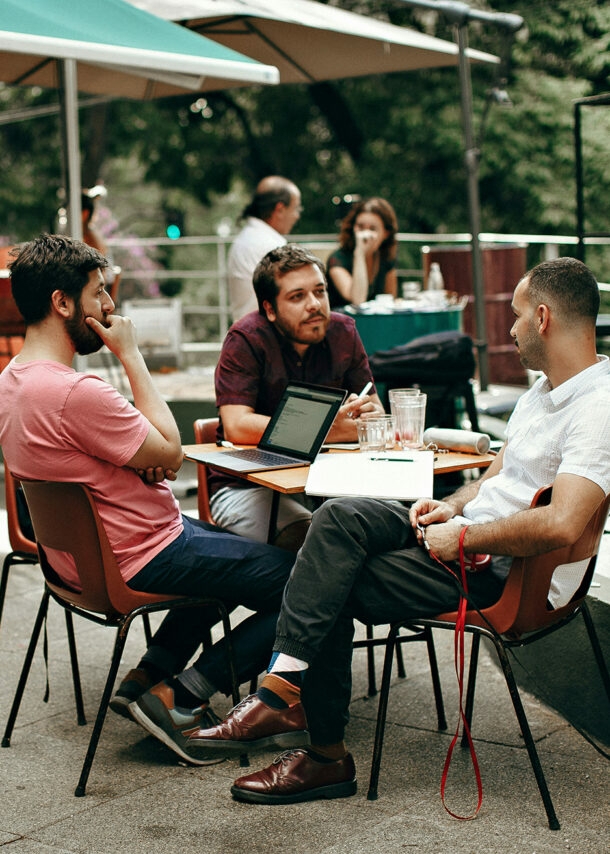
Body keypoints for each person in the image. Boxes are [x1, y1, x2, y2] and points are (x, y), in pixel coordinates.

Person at [176, 256, 610, 804]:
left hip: (504, 570)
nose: (511, 327)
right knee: (338, 516)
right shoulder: (541, 391)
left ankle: (324, 755)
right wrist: (451, 506)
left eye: (518, 315)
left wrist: (466, 538)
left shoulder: (599, 406)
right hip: (466, 538)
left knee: (331, 578)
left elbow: (563, 520)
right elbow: (496, 478)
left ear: (543, 318)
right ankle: (282, 687)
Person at [0, 234, 297, 765]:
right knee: (304, 581)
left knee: (233, 552)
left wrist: (148, 456)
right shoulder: (76, 393)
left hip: (81, 564)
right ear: (62, 303)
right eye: (99, 294)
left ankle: (148, 674)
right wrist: (132, 356)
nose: (111, 308)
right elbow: (172, 453)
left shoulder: (11, 383)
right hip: (141, 552)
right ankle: (180, 697)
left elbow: (154, 455)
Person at [210, 243, 385, 549]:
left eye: (320, 291)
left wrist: (359, 421)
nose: (314, 304)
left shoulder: (344, 332)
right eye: (297, 296)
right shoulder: (246, 339)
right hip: (250, 486)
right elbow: (237, 425)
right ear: (270, 310)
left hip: (332, 481)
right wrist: (328, 430)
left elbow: (375, 416)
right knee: (319, 548)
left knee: (395, 530)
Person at [227, 176, 302, 320]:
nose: (297, 216)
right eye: (296, 208)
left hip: (245, 329)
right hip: (263, 334)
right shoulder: (271, 245)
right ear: (280, 209)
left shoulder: (246, 238)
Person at [326, 197, 398, 308]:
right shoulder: (337, 259)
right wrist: (359, 253)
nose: (365, 235)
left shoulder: (386, 259)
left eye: (372, 229)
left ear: (385, 234)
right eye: (360, 227)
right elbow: (357, 300)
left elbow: (390, 301)